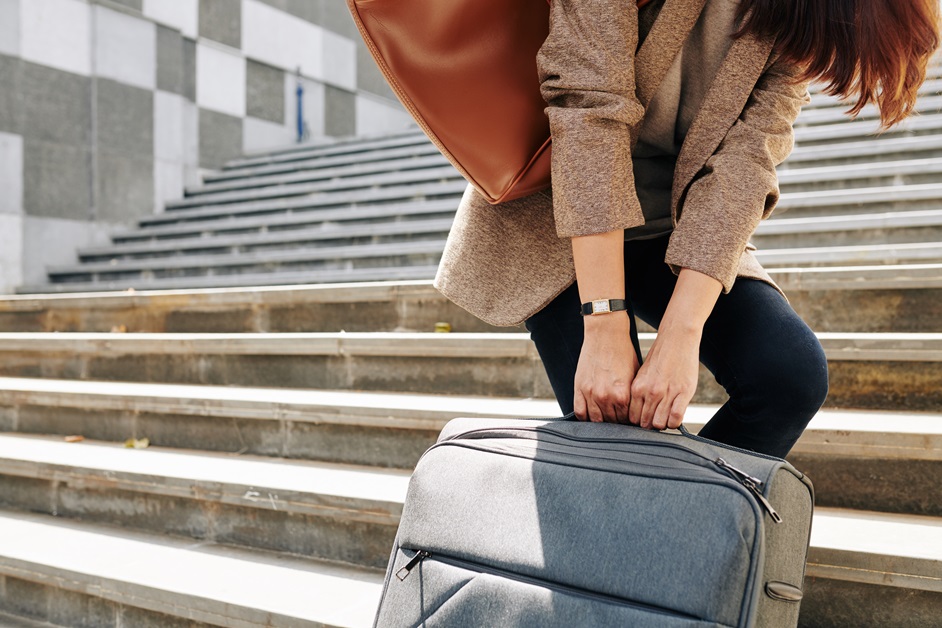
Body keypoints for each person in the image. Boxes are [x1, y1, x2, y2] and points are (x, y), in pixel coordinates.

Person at [434, 0, 941, 458]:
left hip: (677, 220)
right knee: (617, 440)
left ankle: (682, 535)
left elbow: (747, 162)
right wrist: (605, 323)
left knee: (788, 375)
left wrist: (681, 334)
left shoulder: (799, 14)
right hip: (565, 216)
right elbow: (589, 111)